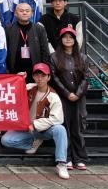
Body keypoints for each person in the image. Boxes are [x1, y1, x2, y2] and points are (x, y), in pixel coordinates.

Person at [1, 63, 70, 180]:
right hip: (27, 129)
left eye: (43, 76)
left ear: (48, 77)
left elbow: (57, 119)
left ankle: (62, 163)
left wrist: (35, 124)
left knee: (60, 129)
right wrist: (18, 79)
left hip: (43, 130)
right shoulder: (30, 87)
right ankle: (33, 143)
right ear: (33, 77)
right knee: (6, 140)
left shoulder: (53, 96)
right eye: (37, 75)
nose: (40, 78)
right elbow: (11, 92)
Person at [49, 28, 89, 170]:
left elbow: (86, 78)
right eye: (65, 37)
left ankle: (79, 158)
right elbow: (54, 78)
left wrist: (77, 93)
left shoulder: (82, 57)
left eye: (71, 37)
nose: (68, 39)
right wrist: (67, 93)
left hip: (79, 98)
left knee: (77, 128)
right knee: (64, 127)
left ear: (75, 40)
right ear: (60, 40)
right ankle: (67, 158)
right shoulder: (54, 57)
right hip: (62, 97)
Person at [5, 3, 50, 83]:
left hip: (36, 72)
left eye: (27, 11)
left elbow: (45, 51)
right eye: (21, 11)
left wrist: (44, 70)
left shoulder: (39, 29)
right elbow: (6, 51)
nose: (24, 13)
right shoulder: (9, 30)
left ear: (32, 13)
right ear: (15, 13)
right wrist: (8, 69)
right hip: (15, 71)